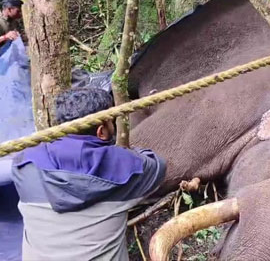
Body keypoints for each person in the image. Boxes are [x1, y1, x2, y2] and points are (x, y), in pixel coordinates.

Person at [12, 88, 166, 261]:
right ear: (101, 131)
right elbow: (158, 167)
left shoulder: (24, 165)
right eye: (111, 121)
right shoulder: (125, 166)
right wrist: (124, 154)